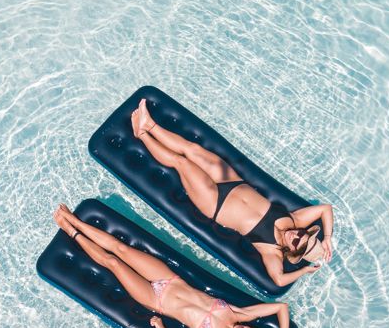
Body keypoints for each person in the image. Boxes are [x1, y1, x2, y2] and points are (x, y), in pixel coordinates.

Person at [53, 204, 290, 328]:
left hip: (156, 301)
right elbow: (281, 308)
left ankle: (71, 231)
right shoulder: (239, 313)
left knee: (113, 263)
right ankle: (73, 219)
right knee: (121, 249)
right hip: (169, 279)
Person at [130, 99, 335, 287]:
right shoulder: (295, 221)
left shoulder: (271, 251)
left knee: (181, 163)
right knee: (192, 149)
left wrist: (305, 271)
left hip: (215, 204)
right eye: (303, 234)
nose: (296, 235)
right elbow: (326, 209)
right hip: (232, 180)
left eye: (297, 241)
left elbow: (279, 280)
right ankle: (150, 124)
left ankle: (143, 135)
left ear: (293, 251)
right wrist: (326, 238)